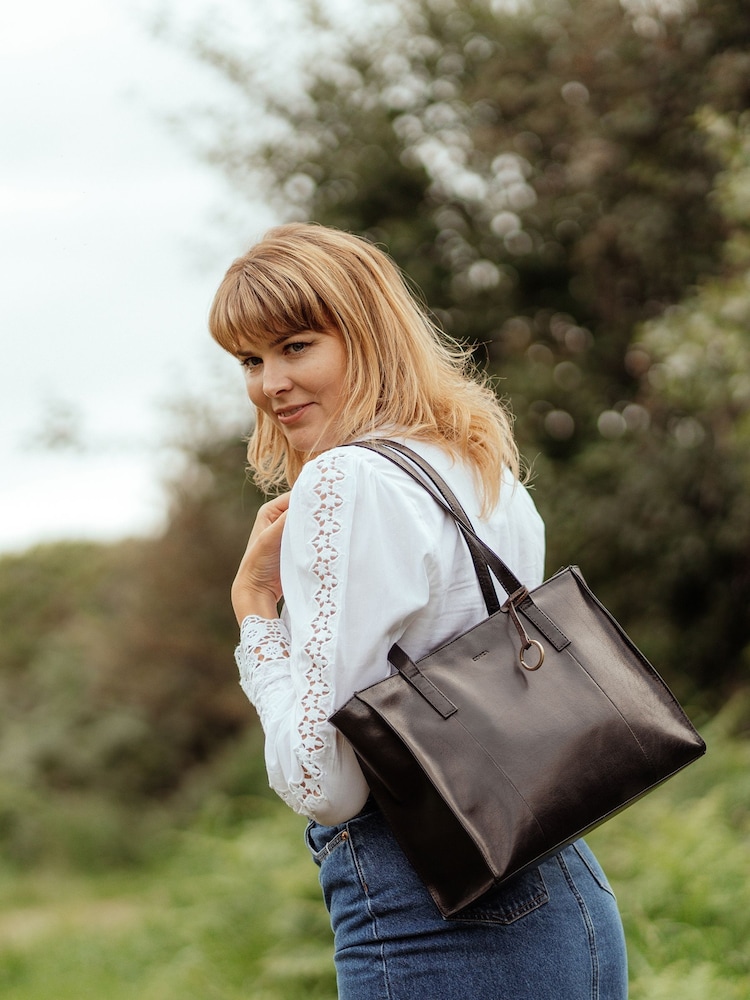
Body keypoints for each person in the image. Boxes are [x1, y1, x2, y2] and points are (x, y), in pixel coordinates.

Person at [209, 222, 629, 999]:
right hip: (568, 897)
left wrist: (256, 618)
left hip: (437, 918)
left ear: (366, 336)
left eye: (297, 346)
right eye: (250, 360)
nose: (270, 384)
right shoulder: (478, 463)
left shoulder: (344, 481)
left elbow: (325, 783)